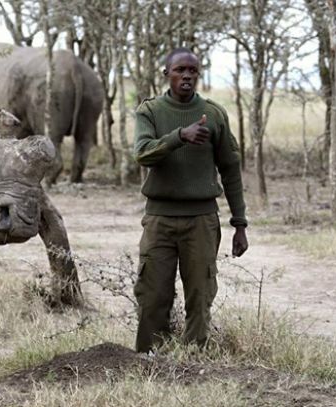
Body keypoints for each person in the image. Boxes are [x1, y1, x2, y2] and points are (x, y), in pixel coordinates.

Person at [132, 47, 249, 353]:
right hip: (159, 219)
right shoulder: (150, 111)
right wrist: (179, 136)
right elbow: (142, 153)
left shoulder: (214, 114)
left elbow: (230, 169)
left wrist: (240, 223)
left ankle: (194, 359)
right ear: (166, 74)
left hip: (202, 220)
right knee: (153, 293)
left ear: (199, 74)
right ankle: (148, 358)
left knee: (200, 293)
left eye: (192, 71)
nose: (186, 76)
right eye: (179, 70)